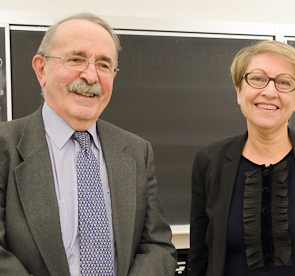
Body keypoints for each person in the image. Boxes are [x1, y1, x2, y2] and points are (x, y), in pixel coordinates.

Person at [0, 13, 177, 275]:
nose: (91, 76)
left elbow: (157, 246)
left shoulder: (136, 151)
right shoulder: (5, 147)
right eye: (75, 59)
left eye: (104, 65)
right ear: (41, 69)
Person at [189, 40, 295, 276]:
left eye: (284, 82)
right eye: (258, 79)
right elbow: (199, 258)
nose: (269, 92)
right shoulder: (209, 162)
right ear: (239, 91)